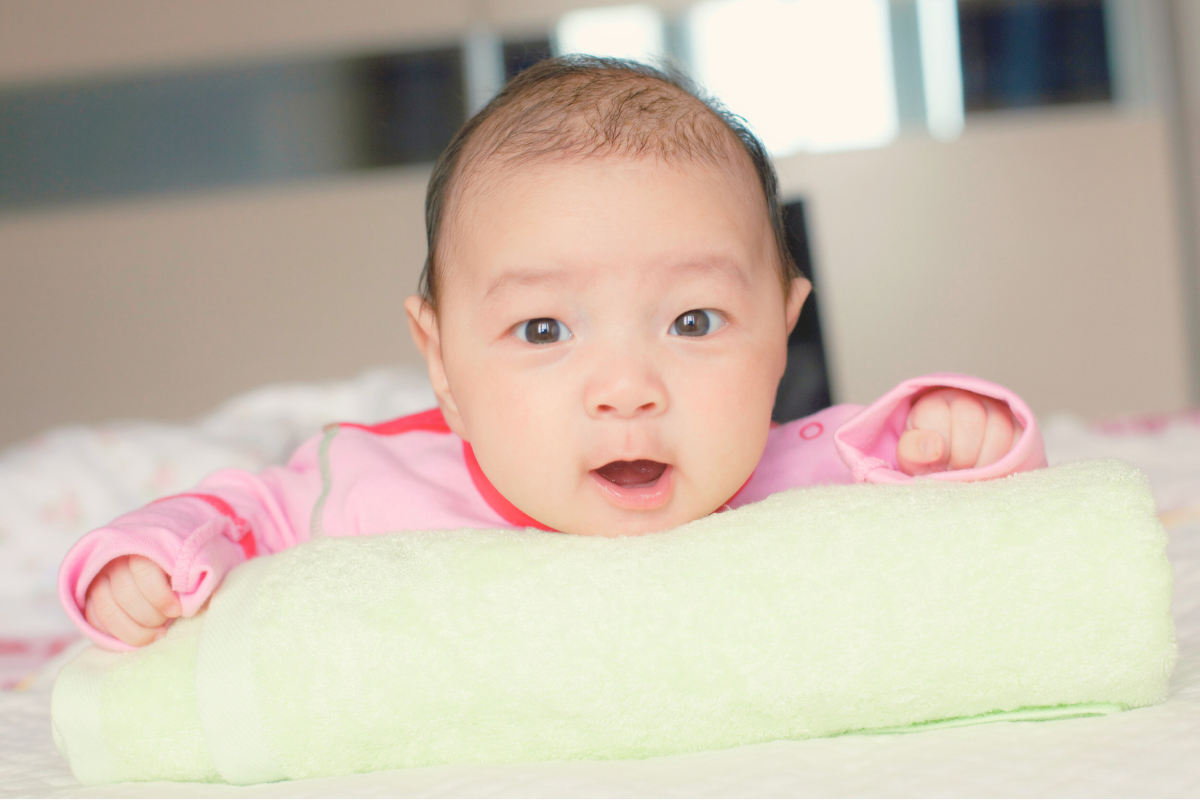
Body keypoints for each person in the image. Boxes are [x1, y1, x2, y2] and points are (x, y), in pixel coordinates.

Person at [59, 56, 1046, 651]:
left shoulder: (802, 465)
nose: (626, 390)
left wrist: (965, 432)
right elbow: (235, 511)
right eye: (543, 330)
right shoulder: (363, 481)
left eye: (693, 321)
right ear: (440, 359)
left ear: (783, 329)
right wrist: (150, 557)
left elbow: (959, 499)